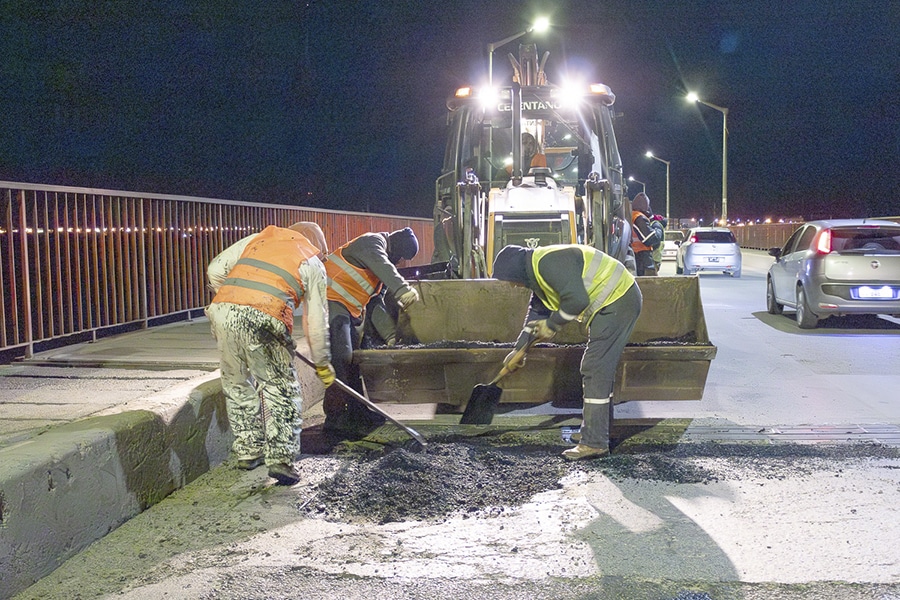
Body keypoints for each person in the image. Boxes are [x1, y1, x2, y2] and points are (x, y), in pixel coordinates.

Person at [206, 225, 335, 486]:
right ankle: (280, 459)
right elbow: (316, 321)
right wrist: (322, 363)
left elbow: (214, 270)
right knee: (280, 389)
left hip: (222, 310)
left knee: (236, 382)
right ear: (318, 246)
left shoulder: (260, 238)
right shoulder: (311, 260)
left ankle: (248, 450)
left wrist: (234, 301)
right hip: (265, 314)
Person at [492, 243, 642, 460]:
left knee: (594, 368)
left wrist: (552, 325)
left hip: (618, 300)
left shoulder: (548, 263)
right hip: (612, 302)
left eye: (509, 280)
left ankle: (594, 443)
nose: (513, 286)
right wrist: (519, 350)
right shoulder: (537, 272)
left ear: (516, 271)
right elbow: (537, 313)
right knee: (597, 369)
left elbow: (577, 299)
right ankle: (597, 431)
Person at [323, 227, 421, 434]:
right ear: (394, 246)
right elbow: (383, 265)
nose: (399, 262)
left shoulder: (379, 266)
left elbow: (376, 305)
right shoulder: (372, 243)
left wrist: (391, 337)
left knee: (354, 361)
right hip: (328, 300)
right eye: (400, 257)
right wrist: (403, 290)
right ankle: (335, 417)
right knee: (342, 358)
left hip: (346, 310)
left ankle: (358, 411)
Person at [630, 192, 662, 276]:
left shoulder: (632, 216)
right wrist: (657, 227)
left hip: (637, 258)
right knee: (649, 286)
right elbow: (650, 238)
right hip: (642, 260)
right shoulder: (639, 218)